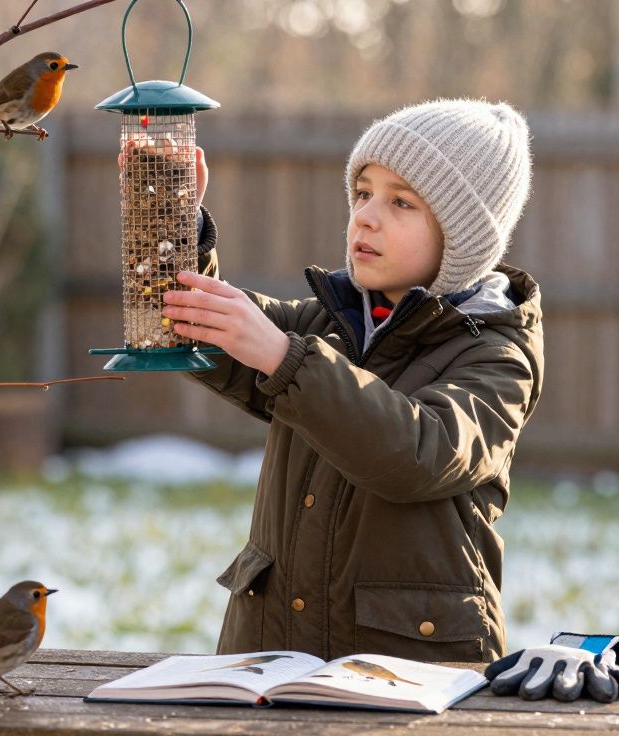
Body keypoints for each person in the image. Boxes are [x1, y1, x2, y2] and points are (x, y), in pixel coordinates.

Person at [164, 99, 544, 662]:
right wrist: (177, 223)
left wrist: (283, 357)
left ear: (463, 236)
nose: (366, 216)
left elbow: (418, 451)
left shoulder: (495, 354)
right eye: (363, 192)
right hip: (273, 660)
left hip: (411, 675)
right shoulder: (329, 323)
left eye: (401, 202)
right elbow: (197, 329)